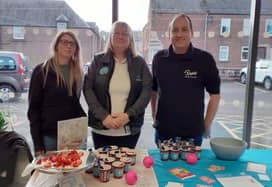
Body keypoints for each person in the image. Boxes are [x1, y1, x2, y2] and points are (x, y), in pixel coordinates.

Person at [151, 14, 220, 146]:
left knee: (192, 167)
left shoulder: (205, 59)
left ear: (191, 33)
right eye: (175, 30)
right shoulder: (159, 59)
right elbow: (154, 91)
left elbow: (215, 95)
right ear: (169, 34)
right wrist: (154, 117)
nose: (179, 34)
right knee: (162, 166)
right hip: (164, 132)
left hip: (192, 134)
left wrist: (205, 124)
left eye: (184, 29)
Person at [83, 21, 152, 149]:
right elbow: (87, 89)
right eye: (117, 33)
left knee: (126, 167)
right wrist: (104, 116)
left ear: (130, 39)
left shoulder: (140, 63)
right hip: (101, 129)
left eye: (125, 34)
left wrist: (128, 115)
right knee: (103, 167)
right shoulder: (97, 61)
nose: (120, 36)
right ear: (110, 36)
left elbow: (146, 92)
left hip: (129, 130)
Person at [27, 31, 86, 156]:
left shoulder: (77, 73)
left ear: (76, 49)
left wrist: (81, 127)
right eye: (64, 42)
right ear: (56, 46)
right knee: (51, 175)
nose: (68, 46)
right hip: (49, 137)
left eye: (72, 43)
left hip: (72, 135)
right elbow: (33, 110)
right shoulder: (41, 71)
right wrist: (38, 144)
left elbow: (74, 104)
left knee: (73, 174)